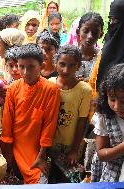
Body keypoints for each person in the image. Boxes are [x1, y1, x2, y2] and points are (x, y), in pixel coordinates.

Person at [0, 44, 60, 184]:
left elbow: (49, 125)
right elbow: (7, 123)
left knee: (38, 180)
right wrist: (7, 156)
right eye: (21, 66)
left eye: (31, 67)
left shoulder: (51, 90)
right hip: (15, 145)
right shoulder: (13, 88)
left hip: (37, 149)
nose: (25, 72)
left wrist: (41, 155)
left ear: (42, 66)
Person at [48, 45, 92, 183]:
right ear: (55, 63)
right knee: (50, 177)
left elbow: (82, 121)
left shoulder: (84, 90)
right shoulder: (50, 84)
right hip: (50, 143)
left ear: (78, 66)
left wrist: (74, 150)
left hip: (71, 145)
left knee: (67, 179)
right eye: (62, 64)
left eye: (72, 65)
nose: (66, 70)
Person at [75, 12, 104, 82]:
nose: (90, 36)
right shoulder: (69, 56)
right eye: (85, 31)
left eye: (95, 33)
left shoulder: (102, 58)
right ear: (78, 31)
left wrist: (90, 81)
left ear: (101, 35)